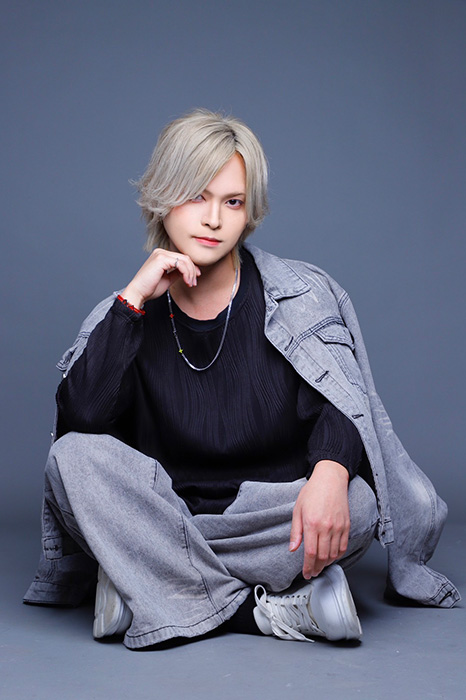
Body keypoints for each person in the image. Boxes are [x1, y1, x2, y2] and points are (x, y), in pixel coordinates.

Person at [24, 109, 460, 649]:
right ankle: (265, 612)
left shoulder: (300, 294)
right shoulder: (124, 314)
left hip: (266, 516)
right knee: (71, 459)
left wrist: (329, 471)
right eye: (196, 197)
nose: (213, 219)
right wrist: (132, 300)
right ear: (162, 198)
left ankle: (150, 583)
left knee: (358, 503)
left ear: (249, 211)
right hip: (163, 511)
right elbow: (81, 420)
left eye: (232, 202)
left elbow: (342, 402)